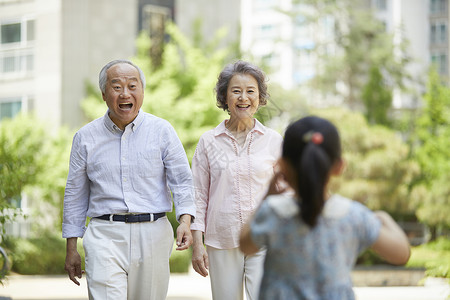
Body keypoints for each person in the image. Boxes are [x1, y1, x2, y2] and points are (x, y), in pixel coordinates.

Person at [62, 59, 196, 300]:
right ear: (104, 94)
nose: (125, 93)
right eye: (117, 87)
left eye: (132, 86)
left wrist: (185, 221)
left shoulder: (162, 131)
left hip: (153, 233)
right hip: (105, 234)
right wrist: (71, 247)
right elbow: (75, 193)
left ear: (142, 91)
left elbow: (182, 181)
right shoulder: (85, 137)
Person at [239, 115, 411, 299]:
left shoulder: (274, 212)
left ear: (282, 165)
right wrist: (382, 216)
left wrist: (266, 198)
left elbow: (246, 246)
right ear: (339, 167)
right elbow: (401, 254)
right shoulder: (353, 215)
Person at [190, 60, 283, 300]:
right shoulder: (209, 141)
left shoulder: (274, 141)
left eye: (250, 91)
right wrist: (197, 243)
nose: (244, 97)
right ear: (225, 96)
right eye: (236, 91)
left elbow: (287, 193)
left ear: (260, 97)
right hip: (222, 238)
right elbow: (198, 195)